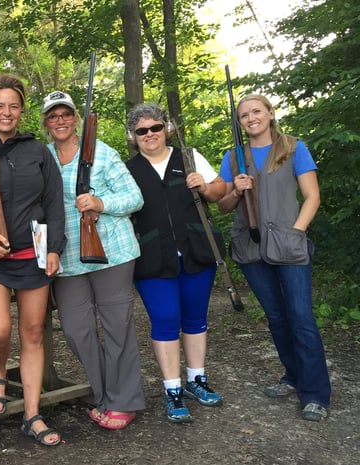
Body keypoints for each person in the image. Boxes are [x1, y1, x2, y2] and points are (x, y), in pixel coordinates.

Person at [0, 73, 65, 446]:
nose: (7, 112)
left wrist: (55, 247)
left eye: (14, 106)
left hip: (32, 255)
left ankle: (33, 414)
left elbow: (54, 203)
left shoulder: (39, 152)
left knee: (33, 333)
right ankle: (0, 373)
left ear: (22, 110)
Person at [217, 94, 330, 421]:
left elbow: (312, 196)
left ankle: (316, 394)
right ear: (240, 123)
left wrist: (296, 232)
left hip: (289, 245)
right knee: (277, 318)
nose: (251, 118)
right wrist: (236, 190)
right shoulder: (234, 157)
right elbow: (222, 206)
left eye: (256, 111)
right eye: (244, 115)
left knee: (301, 318)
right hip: (251, 249)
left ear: (269, 113)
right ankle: (292, 377)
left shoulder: (294, 147)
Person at [41, 91, 146, 430]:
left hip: (112, 255)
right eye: (53, 115)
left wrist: (100, 203)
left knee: (118, 328)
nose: (60, 120)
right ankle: (104, 395)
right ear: (46, 122)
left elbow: (134, 197)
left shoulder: (102, 153)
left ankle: (123, 401)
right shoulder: (43, 158)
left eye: (66, 114)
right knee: (77, 330)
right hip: (67, 260)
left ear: (75, 119)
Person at [124, 103, 226, 423]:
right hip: (152, 256)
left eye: (155, 127)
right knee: (166, 319)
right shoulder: (126, 169)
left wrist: (205, 186)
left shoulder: (190, 156)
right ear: (133, 136)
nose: (150, 135)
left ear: (166, 127)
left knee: (195, 318)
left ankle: (197, 380)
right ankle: (173, 389)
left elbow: (221, 191)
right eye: (142, 131)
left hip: (197, 249)